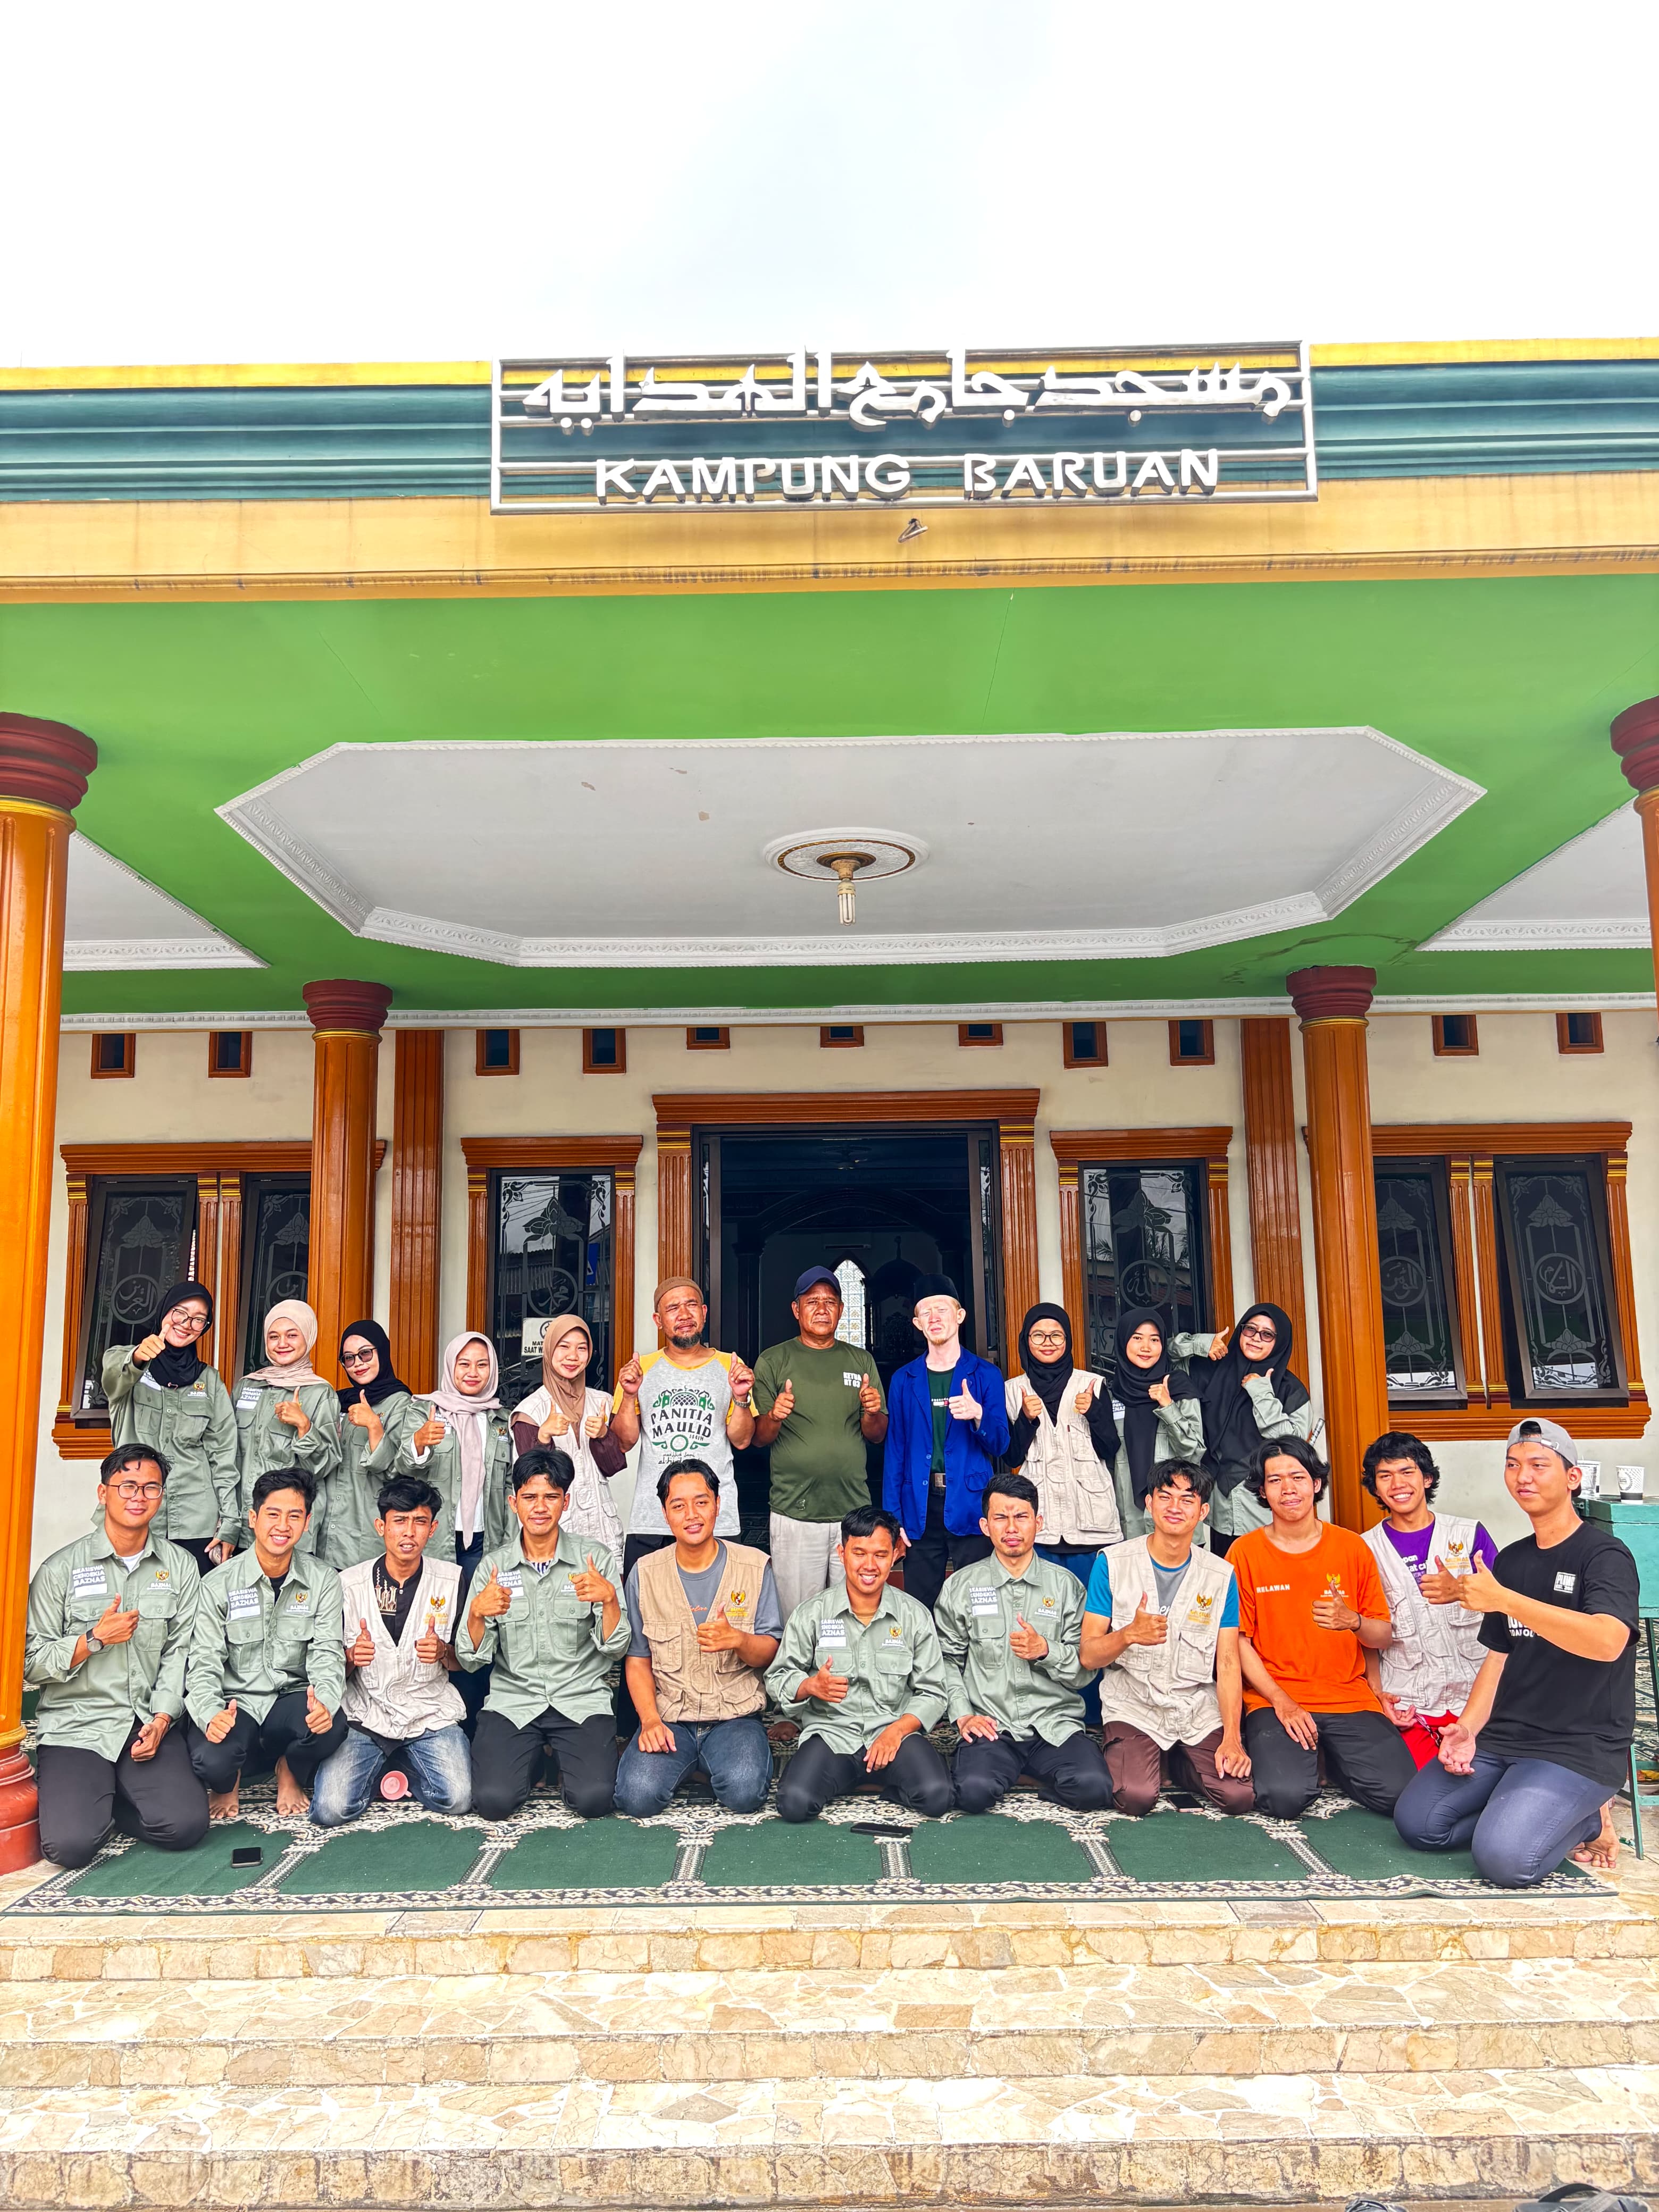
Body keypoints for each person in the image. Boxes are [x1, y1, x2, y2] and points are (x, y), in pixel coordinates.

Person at [1394, 1419, 1638, 1885]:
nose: (1523, 1476)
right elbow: (1499, 1656)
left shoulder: (1604, 1556)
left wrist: (1506, 1599)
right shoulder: (1512, 1559)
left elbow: (1608, 1641)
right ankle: (1523, 1808)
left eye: (1538, 1465)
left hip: (1577, 1746)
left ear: (1572, 1478)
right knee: (1420, 1824)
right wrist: (1467, 1728)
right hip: (1505, 1738)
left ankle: (1584, 1818)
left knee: (1505, 1861)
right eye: (1512, 1465)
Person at [25, 1443, 209, 1869]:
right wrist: (92, 1639)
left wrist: (163, 1720)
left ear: (162, 1497)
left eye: (151, 1488)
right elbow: (31, 1663)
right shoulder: (60, 1571)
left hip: (143, 1723)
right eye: (127, 1485)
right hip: (78, 1726)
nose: (138, 1497)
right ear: (103, 1493)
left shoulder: (180, 1566)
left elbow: (180, 1653)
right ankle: (91, 1801)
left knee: (184, 1827)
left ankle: (110, 1802)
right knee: (69, 1847)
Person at [1229, 1437, 1415, 1818]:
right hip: (1276, 1700)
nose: (1288, 1489)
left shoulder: (1351, 1548)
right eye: (1275, 1480)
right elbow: (1239, 1643)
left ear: (1316, 1483)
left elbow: (1382, 1636)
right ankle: (1310, 1761)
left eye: (1298, 1477)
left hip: (1348, 1697)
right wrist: (1282, 1701)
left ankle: (1330, 1759)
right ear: (1262, 1491)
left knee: (1401, 1796)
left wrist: (1355, 1622)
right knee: (1284, 1798)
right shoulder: (1244, 1553)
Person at [457, 1447, 631, 1822]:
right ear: (513, 1502)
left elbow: (616, 1649)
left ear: (565, 1502)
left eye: (551, 1497)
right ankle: (533, 1761)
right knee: (493, 1802)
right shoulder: (493, 1567)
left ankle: (564, 1761)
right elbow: (471, 1660)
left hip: (579, 1698)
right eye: (530, 1497)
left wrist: (611, 1600)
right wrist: (476, 1613)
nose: (540, 1507)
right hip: (514, 1700)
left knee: (594, 1800)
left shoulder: (594, 1560)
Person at [1082, 1461, 1254, 1815]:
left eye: (1188, 1500)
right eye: (1166, 1497)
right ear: (1149, 1503)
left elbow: (1228, 1661)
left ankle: (1179, 1761)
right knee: (1135, 1797)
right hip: (1134, 1705)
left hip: (1197, 1710)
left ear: (1204, 1511)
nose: (1175, 1508)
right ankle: (1147, 1757)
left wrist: (1234, 1739)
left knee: (1239, 1797)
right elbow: (1089, 1655)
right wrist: (1128, 1635)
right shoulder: (1112, 1563)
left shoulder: (1221, 1575)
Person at [614, 1458, 782, 1817]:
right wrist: (649, 1721)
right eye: (678, 1505)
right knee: (637, 1797)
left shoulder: (754, 1566)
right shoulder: (645, 1573)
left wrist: (738, 1640)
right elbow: (638, 1658)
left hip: (734, 1717)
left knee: (744, 1792)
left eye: (702, 1502)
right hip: (671, 1716)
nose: (692, 1514)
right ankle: (691, 1762)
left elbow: (769, 1650)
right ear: (664, 1512)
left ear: (718, 1505)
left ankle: (709, 1762)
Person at [936, 1471, 1112, 1814]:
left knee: (1095, 1789)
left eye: (1022, 1517)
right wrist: (963, 1717)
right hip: (992, 1726)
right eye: (1001, 1518)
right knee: (973, 1792)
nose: (1012, 1528)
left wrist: (1046, 1651)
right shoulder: (961, 1587)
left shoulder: (1066, 1588)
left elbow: (1086, 1670)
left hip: (1054, 1725)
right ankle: (1002, 1774)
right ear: (986, 1526)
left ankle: (1039, 1785)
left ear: (1039, 1522)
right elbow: (946, 1661)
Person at [767, 1504, 954, 1823]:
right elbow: (777, 1678)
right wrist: (810, 1685)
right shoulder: (812, 1613)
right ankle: (852, 1777)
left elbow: (934, 1692)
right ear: (842, 1553)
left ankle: (874, 1782)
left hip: (894, 1732)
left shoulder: (914, 1616)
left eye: (880, 1555)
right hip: (832, 1733)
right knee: (794, 1804)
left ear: (896, 1554)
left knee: (938, 1797)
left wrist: (896, 1731)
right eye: (859, 1553)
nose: (869, 1565)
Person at [309, 1474, 471, 1828]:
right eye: (400, 1521)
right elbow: (326, 1665)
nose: (409, 1532)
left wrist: (444, 1651)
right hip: (366, 1716)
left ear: (434, 1528)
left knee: (459, 1798)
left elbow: (466, 1662)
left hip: (428, 1713)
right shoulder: (347, 1584)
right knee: (331, 1810)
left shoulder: (453, 1579)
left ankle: (400, 1767)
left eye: (419, 1522)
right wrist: (352, 1657)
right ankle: (384, 1763)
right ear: (381, 1526)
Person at [186, 1467, 348, 1819]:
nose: (283, 1526)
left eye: (294, 1516)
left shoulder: (323, 1581)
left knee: (331, 1727)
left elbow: (328, 1654)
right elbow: (203, 1662)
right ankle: (227, 1781)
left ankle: (289, 1769)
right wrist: (210, 1713)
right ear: (253, 1518)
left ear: (306, 1523)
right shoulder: (218, 1584)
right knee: (211, 1758)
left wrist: (325, 1701)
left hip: (290, 1698)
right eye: (273, 1515)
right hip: (236, 1702)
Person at [751, 1266, 887, 1616]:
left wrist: (872, 1412)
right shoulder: (773, 1361)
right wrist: (775, 1415)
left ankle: (849, 1673)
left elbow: (878, 1435)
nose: (822, 1309)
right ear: (796, 1310)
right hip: (795, 1511)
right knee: (799, 1614)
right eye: (813, 1302)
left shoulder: (861, 1361)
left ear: (842, 1310)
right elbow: (759, 1438)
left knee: (854, 1612)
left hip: (852, 1512)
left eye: (830, 1302)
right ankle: (799, 1674)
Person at [1360, 1432, 1495, 1766]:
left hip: (1478, 1697)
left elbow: (1507, 1610)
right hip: (1410, 1701)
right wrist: (1378, 1695)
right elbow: (1365, 1636)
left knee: (1495, 1775)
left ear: (1428, 1478)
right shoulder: (1363, 1549)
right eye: (1385, 1476)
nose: (1397, 1484)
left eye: (1407, 1472)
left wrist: (1462, 1591)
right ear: (1375, 1488)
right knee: (1415, 1786)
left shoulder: (1468, 1534)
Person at [611, 1278, 755, 1582]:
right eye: (673, 1308)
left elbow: (742, 1440)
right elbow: (624, 1442)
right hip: (653, 1520)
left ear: (704, 1313)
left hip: (717, 1518)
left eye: (691, 1305)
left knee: (720, 1612)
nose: (684, 1314)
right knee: (647, 1613)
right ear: (658, 1320)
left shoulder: (730, 1365)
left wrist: (740, 1397)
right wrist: (630, 1394)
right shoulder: (640, 1370)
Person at [881, 1275, 1009, 1612]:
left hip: (971, 1504)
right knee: (920, 1604)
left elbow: (1001, 1445)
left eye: (942, 1309)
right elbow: (895, 1452)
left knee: (978, 1602)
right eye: (926, 1312)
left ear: (960, 1316)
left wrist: (978, 1414)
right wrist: (894, 1518)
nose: (934, 1318)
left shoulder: (985, 1375)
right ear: (917, 1323)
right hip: (919, 1507)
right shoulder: (904, 1380)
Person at [100, 1280, 238, 1571]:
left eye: (199, 1319)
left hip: (196, 1520)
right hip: (134, 1510)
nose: (187, 1324)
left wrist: (230, 1522)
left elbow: (224, 1459)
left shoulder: (209, 1381)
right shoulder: (126, 1361)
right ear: (164, 1312)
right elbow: (114, 1381)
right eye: (180, 1313)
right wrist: (139, 1356)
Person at [1177, 1304, 1312, 1551]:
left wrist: (1261, 1392)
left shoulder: (1290, 1389)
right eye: (1250, 1330)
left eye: (1267, 1334)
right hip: (1219, 1496)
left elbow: (1292, 1445)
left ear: (1279, 1343)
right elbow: (1167, 1354)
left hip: (1260, 1498)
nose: (1256, 1339)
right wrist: (1201, 1344)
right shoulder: (1212, 1371)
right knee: (1225, 1570)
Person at [1002, 1304, 1122, 1578]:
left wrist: (1094, 1413)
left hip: (1091, 1527)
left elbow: (1110, 1449)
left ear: (1067, 1340)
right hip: (1041, 1525)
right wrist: (1026, 1419)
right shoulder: (1012, 1390)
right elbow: (1011, 1458)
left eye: (1056, 1335)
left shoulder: (1093, 1383)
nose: (1048, 1343)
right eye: (1038, 1336)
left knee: (1093, 1613)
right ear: (1026, 1340)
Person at [509, 1314, 629, 1556]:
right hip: (555, 1528)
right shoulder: (531, 1411)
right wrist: (543, 1436)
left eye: (581, 1348)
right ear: (549, 1349)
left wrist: (604, 1435)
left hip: (602, 1527)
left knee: (607, 1591)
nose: (573, 1356)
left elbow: (614, 1466)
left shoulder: (602, 1401)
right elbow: (529, 1477)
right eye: (563, 1347)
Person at [231, 1301, 341, 1555]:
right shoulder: (247, 1386)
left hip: (288, 1527)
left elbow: (326, 1465)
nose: (282, 1343)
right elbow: (228, 1452)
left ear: (309, 1338)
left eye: (292, 1335)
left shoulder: (320, 1393)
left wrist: (304, 1425)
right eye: (274, 1336)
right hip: (242, 1520)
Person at [404, 1331, 515, 1564]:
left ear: (492, 1369)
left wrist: (510, 1538)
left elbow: (510, 1485)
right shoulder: (424, 1411)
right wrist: (419, 1442)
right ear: (450, 1365)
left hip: (486, 1539)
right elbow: (402, 1468)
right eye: (464, 1364)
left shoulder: (503, 1421)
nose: (473, 1373)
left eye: (482, 1365)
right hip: (434, 1536)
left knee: (479, 1601)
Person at [324, 1320, 423, 1572]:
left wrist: (374, 1427)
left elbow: (400, 1471)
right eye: (349, 1358)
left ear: (382, 1352)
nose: (358, 1363)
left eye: (365, 1353)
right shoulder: (337, 1401)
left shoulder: (401, 1403)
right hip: (325, 1533)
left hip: (366, 1535)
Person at [1107, 1308, 1207, 1545]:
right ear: (1123, 1342)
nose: (1146, 1347)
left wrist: (1168, 1405)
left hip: (1176, 1515)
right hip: (1129, 1518)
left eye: (1155, 1340)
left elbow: (1194, 1451)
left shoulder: (1180, 1387)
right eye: (1137, 1338)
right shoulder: (1113, 1392)